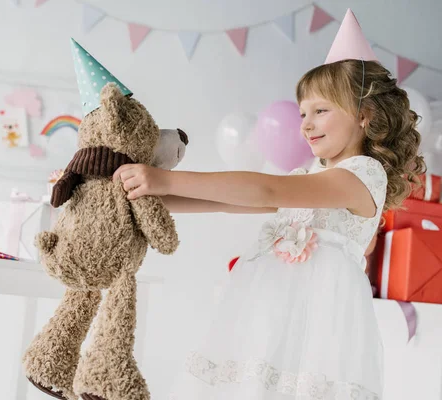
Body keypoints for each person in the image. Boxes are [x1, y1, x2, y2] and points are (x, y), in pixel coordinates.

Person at [113, 9, 425, 399]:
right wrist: (153, 196)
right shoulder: (311, 177)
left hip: (315, 325)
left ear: (363, 116)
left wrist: (166, 178)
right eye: (303, 113)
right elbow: (233, 203)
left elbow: (266, 191)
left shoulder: (361, 176)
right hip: (274, 312)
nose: (306, 124)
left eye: (321, 111)